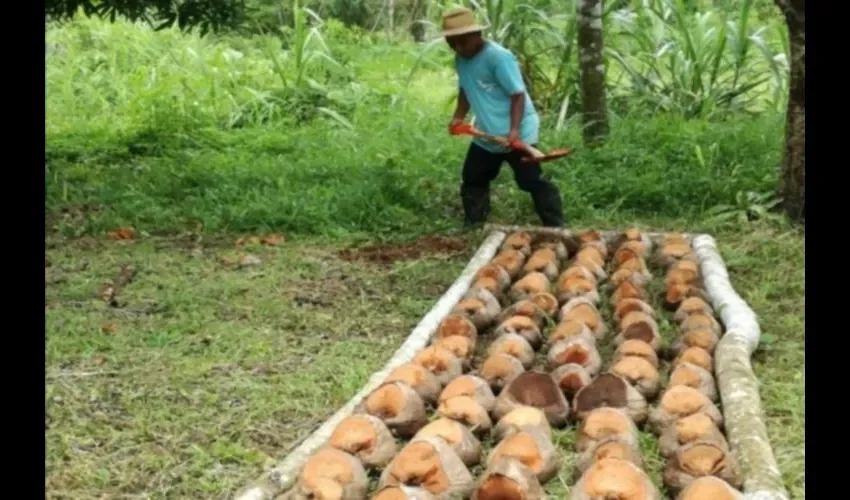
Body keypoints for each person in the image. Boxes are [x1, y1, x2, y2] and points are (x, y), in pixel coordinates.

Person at [441, 7, 564, 229]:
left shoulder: (498, 58)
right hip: (487, 133)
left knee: (530, 180)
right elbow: (466, 89)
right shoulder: (461, 58)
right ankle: (474, 224)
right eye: (454, 44)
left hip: (518, 131)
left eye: (462, 42)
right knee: (473, 177)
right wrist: (458, 116)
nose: (459, 48)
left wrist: (514, 132)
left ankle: (556, 226)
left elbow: (517, 94)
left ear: (476, 35)